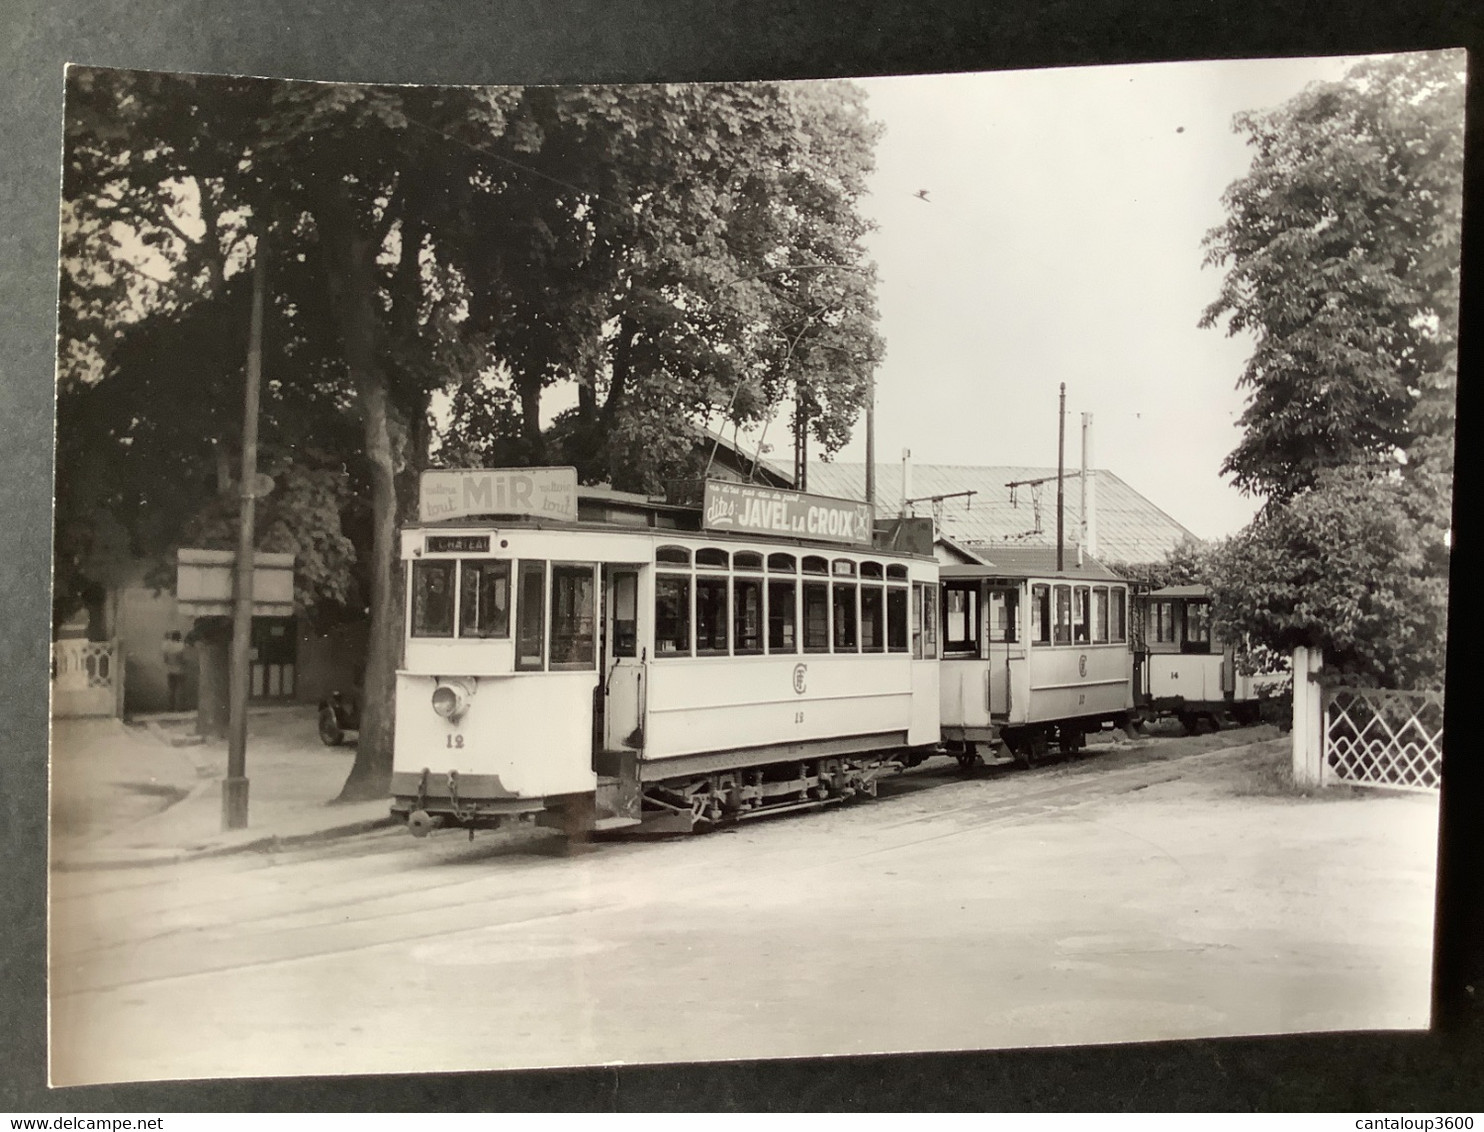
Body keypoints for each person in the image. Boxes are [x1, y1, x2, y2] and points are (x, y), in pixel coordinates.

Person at [162, 630, 186, 712]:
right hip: (180, 670)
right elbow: (182, 659)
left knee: (171, 689)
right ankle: (179, 708)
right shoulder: (181, 646)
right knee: (180, 689)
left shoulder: (167, 647)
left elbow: (165, 659)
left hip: (170, 670)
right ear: (179, 637)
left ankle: (170, 708)